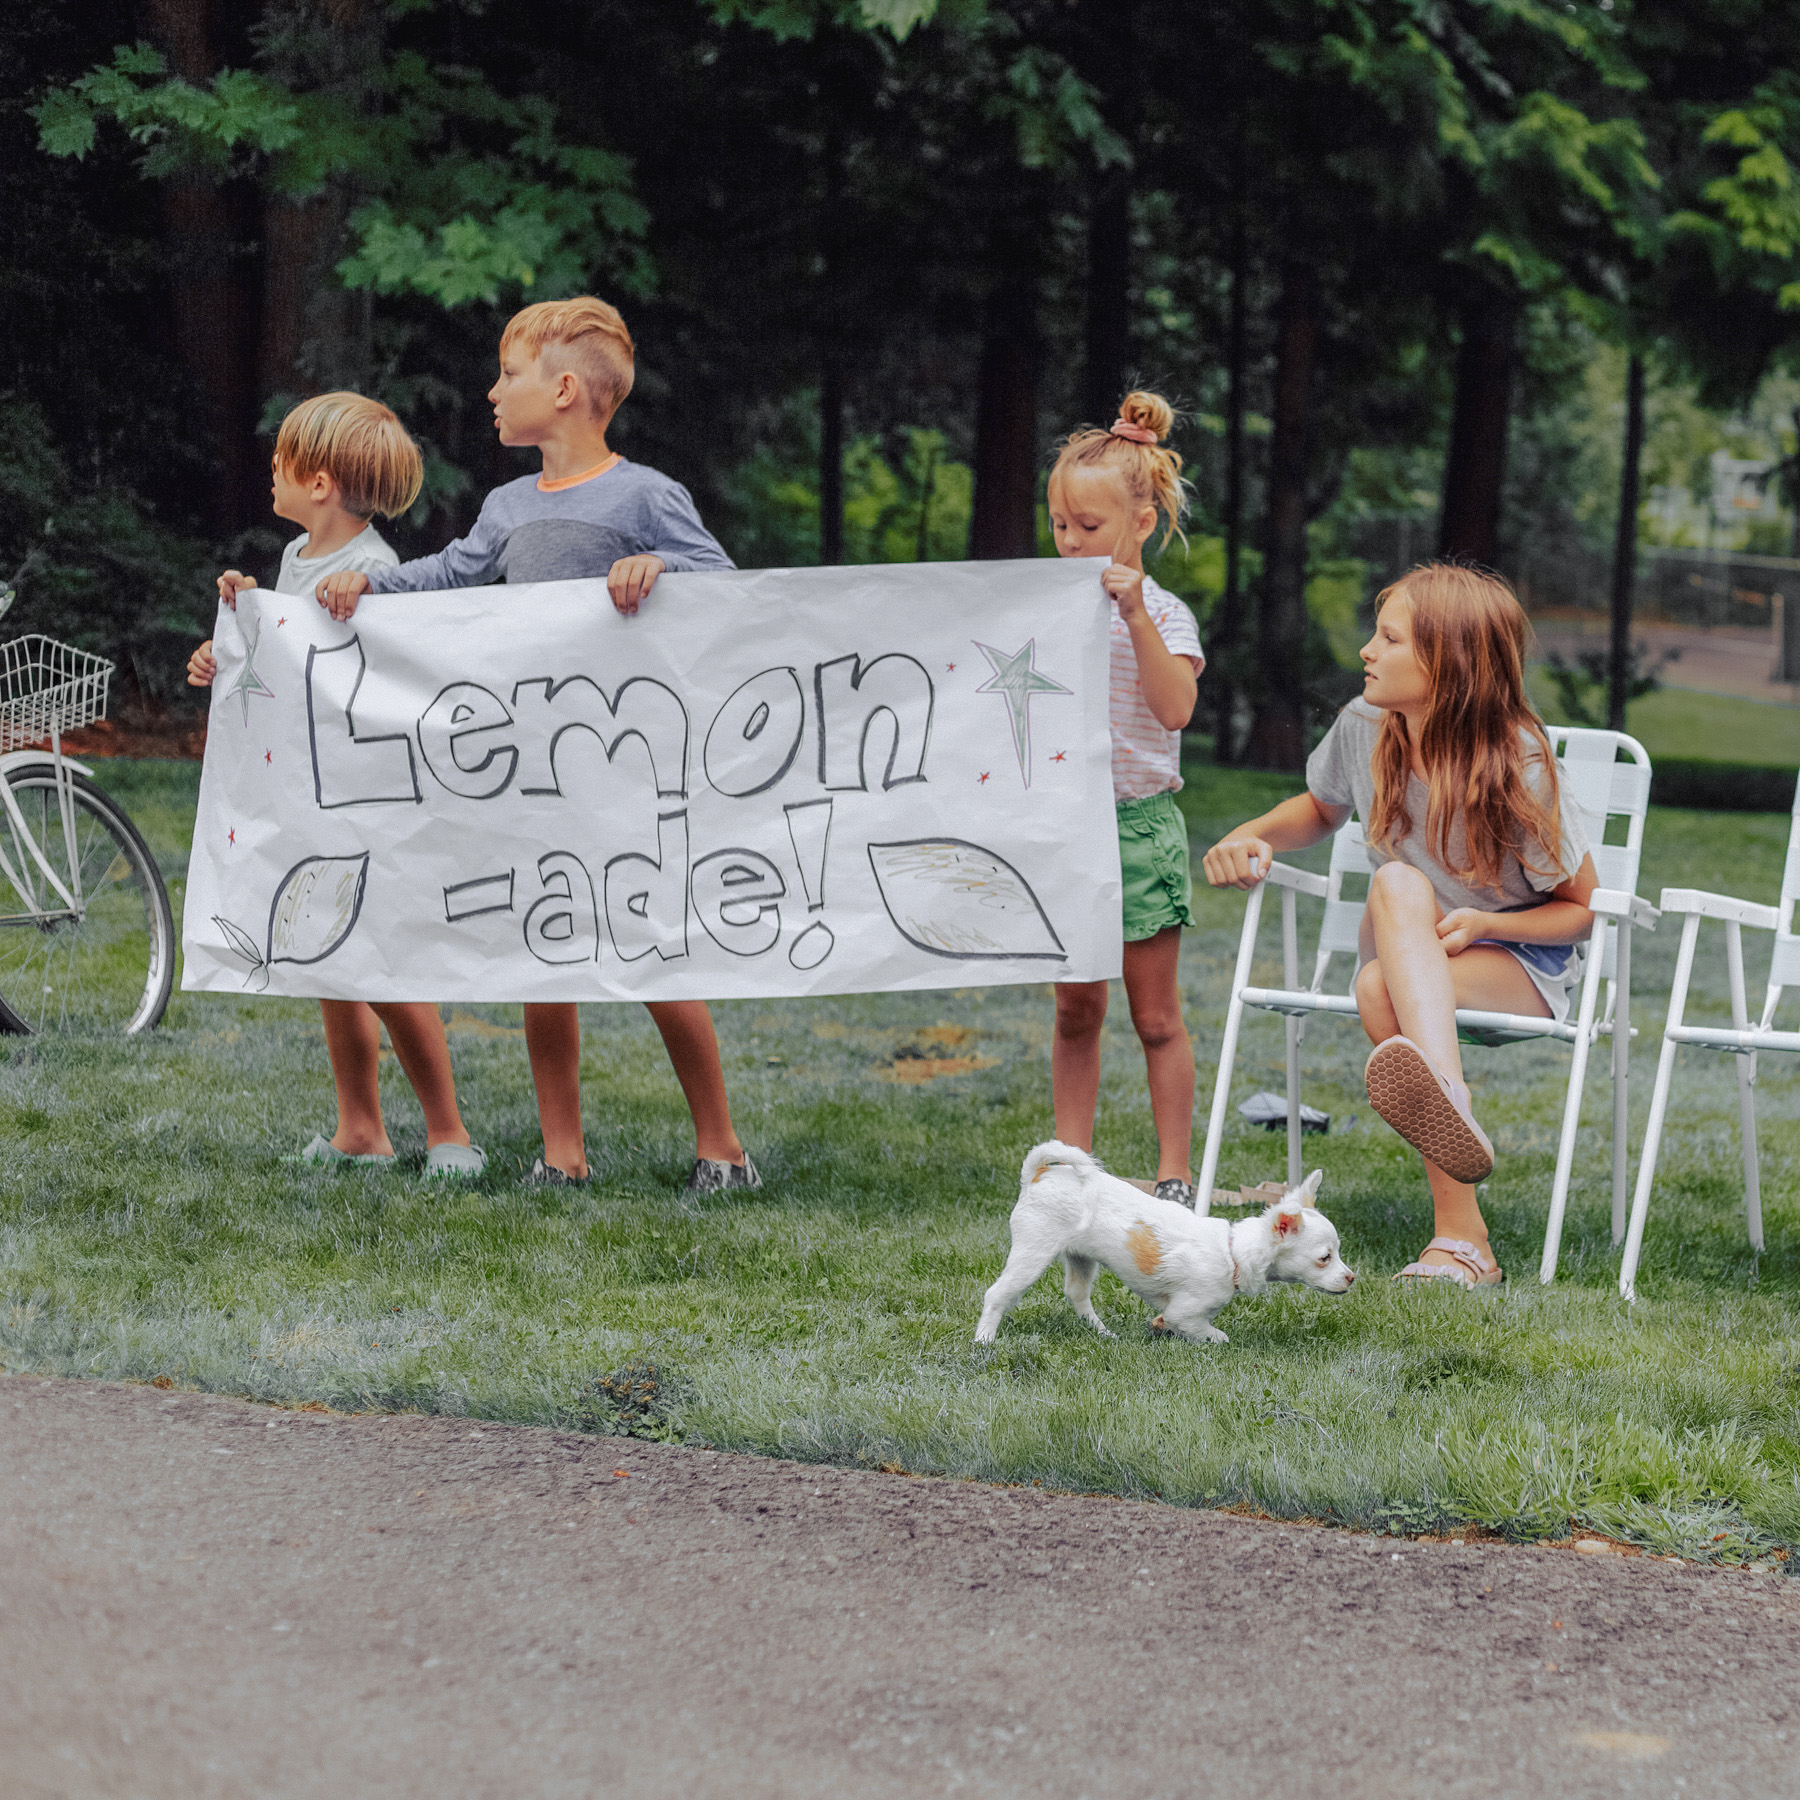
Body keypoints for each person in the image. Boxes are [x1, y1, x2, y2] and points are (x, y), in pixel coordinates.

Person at [310, 295, 757, 1193]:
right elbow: (450, 576)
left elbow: (727, 585)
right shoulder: (508, 506)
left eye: (507, 374)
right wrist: (369, 586)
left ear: (562, 390)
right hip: (533, 778)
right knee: (542, 954)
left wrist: (659, 567)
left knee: (654, 952)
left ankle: (723, 1149)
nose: (491, 391)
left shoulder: (646, 496)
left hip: (622, 775)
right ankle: (563, 1154)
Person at [1202, 561, 1599, 1287]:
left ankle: (1458, 1206)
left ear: (1448, 666)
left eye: (1388, 639)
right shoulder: (1365, 727)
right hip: (1404, 963)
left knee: (1384, 973)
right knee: (1393, 900)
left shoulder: (1519, 762)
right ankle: (1460, 1219)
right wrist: (1250, 832)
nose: (1367, 651)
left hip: (1509, 963)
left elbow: (1581, 910)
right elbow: (1322, 808)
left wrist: (1482, 922)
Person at [187, 392, 483, 1178]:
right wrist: (232, 648)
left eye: (280, 464)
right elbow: (288, 671)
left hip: (366, 798)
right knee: (333, 968)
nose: (270, 477)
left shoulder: (375, 572)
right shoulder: (294, 561)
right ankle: (361, 1130)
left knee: (386, 969)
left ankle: (449, 1132)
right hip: (312, 795)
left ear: (317, 483)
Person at [1045, 391, 1205, 1206]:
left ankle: (1174, 1173)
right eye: (1061, 527)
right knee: (1077, 1012)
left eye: (1089, 528)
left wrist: (1135, 613)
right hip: (1068, 835)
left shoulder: (1167, 615)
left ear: (1141, 525)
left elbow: (1175, 708)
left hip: (1139, 833)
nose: (1071, 543)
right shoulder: (1041, 617)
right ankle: (1072, 1168)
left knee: (1155, 1017)